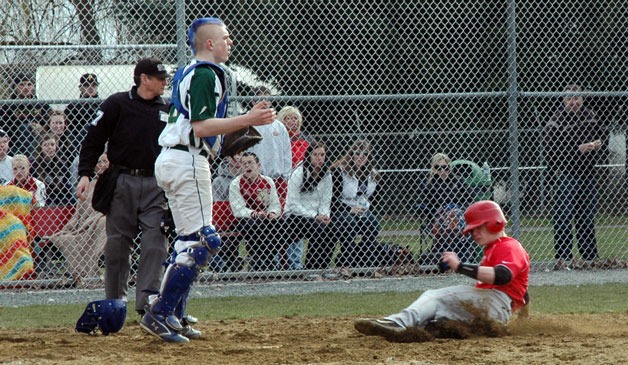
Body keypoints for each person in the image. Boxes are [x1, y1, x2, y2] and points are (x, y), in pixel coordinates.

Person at [140, 17, 275, 343]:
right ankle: (160, 311)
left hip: (179, 158)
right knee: (204, 241)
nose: (230, 42)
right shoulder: (204, 73)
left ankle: (173, 313)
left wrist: (225, 141)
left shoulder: (191, 72)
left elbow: (197, 125)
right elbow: (200, 127)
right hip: (186, 160)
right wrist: (249, 119)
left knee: (189, 240)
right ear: (210, 43)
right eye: (225, 38)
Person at [76, 57, 171, 321]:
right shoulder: (117, 103)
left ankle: (149, 303)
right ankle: (114, 304)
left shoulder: (170, 107)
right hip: (123, 180)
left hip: (157, 183)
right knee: (117, 245)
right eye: (159, 78)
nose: (165, 82)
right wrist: (85, 173)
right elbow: (93, 140)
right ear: (144, 79)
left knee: (156, 242)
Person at [354, 200, 530, 340]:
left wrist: (460, 266)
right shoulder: (494, 248)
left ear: (494, 223)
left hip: (493, 303)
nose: (474, 234)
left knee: (434, 297)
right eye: (472, 230)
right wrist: (523, 318)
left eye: (478, 227)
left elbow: (503, 276)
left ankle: (396, 323)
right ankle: (419, 333)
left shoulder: (509, 246)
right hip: (490, 310)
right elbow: (523, 292)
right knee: (437, 321)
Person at [543, 84, 608, 270]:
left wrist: (596, 145)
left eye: (577, 98)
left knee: (586, 217)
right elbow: (551, 151)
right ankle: (564, 258)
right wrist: (576, 149)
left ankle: (589, 257)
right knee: (563, 217)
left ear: (582, 99)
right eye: (570, 98)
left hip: (588, 174)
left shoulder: (590, 116)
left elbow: (600, 136)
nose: (574, 102)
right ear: (564, 100)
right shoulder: (556, 120)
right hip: (567, 174)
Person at [46, 153, 109, 288]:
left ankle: (88, 274)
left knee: (104, 222)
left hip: (99, 223)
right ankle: (80, 275)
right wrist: (72, 227)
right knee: (67, 238)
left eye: (105, 161)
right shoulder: (89, 185)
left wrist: (95, 219)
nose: (102, 165)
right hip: (83, 226)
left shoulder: (115, 183)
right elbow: (78, 213)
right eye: (99, 162)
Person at [330, 139, 381, 268]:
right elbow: (331, 199)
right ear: (351, 154)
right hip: (340, 208)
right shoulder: (339, 171)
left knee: (373, 224)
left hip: (360, 209)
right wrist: (349, 209)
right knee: (349, 223)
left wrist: (365, 207)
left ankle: (365, 261)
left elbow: (372, 197)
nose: (360, 157)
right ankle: (347, 263)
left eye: (365, 154)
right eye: (357, 153)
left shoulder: (372, 173)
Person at [281, 142, 333, 271]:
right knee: (318, 229)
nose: (319, 158)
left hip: (316, 215)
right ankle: (311, 268)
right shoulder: (299, 173)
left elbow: (326, 201)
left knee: (332, 228)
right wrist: (315, 216)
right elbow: (293, 204)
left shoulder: (327, 175)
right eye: (315, 155)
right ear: (309, 156)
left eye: (322, 155)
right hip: (296, 215)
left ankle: (321, 268)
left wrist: (324, 216)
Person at [416, 153, 474, 265]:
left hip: (459, 217)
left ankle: (457, 258)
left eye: (445, 167)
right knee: (451, 213)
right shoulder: (429, 184)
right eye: (438, 167)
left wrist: (460, 209)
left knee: (454, 212)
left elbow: (470, 198)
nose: (442, 171)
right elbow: (422, 206)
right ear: (433, 169)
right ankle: (458, 259)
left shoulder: (458, 181)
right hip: (437, 219)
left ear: (449, 168)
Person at [229, 152, 283, 272]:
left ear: (258, 165)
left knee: (281, 225)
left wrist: (272, 213)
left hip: (265, 218)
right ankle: (262, 260)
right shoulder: (236, 184)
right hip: (245, 219)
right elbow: (238, 209)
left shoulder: (268, 181)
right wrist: (254, 213)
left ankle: (266, 259)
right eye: (244, 163)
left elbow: (275, 204)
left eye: (250, 163)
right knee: (254, 226)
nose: (247, 166)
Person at [246, 88, 292, 202]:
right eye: (260, 99)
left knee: (277, 211)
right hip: (255, 178)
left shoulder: (279, 126)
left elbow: (286, 152)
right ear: (253, 102)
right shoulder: (247, 124)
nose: (264, 102)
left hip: (277, 179)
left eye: (267, 99)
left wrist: (286, 175)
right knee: (260, 209)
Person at [0, 72, 50, 139]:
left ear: (33, 86)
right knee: (25, 128)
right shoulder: (8, 106)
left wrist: (42, 128)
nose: (26, 88)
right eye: (22, 84)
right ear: (15, 87)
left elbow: (52, 119)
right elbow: (4, 128)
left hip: (41, 140)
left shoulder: (40, 104)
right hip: (17, 141)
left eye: (29, 84)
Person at [30, 133, 75, 206]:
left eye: (52, 145)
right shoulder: (33, 164)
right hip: (40, 198)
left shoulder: (62, 164)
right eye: (46, 145)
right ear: (40, 147)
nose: (50, 147)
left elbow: (66, 190)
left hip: (59, 199)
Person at [64, 73, 101, 153]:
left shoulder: (104, 105)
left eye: (94, 85)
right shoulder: (72, 107)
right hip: (78, 143)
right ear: (81, 88)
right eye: (87, 85)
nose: (91, 87)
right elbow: (68, 131)